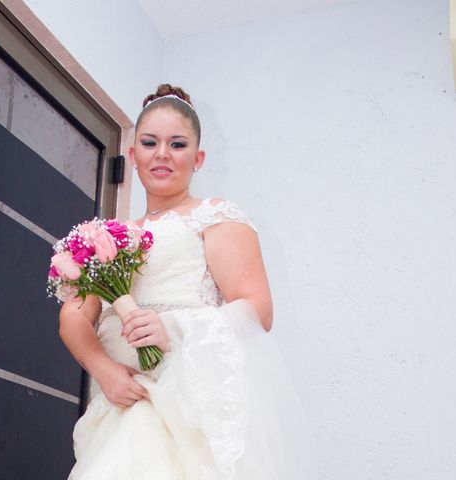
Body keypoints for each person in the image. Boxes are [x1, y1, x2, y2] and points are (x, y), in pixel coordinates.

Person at [58, 84, 316, 479]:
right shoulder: (107, 238)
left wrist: (173, 328)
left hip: (187, 401)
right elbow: (75, 318)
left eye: (177, 145)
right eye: (150, 142)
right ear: (133, 154)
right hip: (120, 403)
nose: (162, 154)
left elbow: (256, 309)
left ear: (198, 159)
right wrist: (104, 370)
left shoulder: (216, 218)